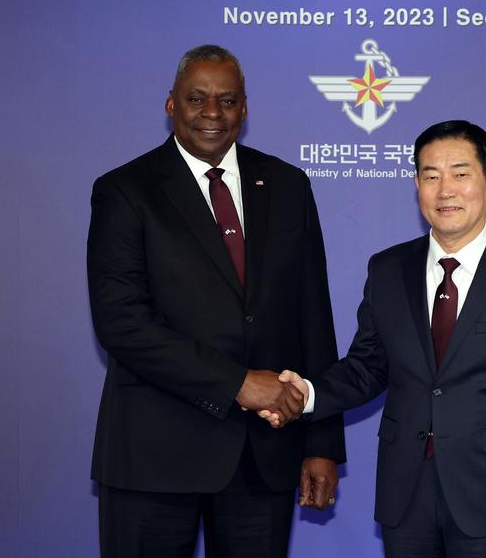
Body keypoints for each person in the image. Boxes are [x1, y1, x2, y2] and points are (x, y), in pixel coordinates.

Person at [264, 120, 486, 557]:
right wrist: (309, 393)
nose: (445, 190)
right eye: (431, 176)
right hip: (406, 494)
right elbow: (367, 367)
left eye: (460, 173)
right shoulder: (388, 269)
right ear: (416, 185)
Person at [86, 44, 345, 558]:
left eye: (226, 101)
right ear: (171, 105)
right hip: (154, 455)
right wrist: (238, 384)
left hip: (261, 458)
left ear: (244, 109)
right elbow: (122, 324)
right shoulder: (124, 190)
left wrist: (322, 445)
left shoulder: (289, 185)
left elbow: (313, 318)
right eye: (196, 99)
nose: (212, 113)